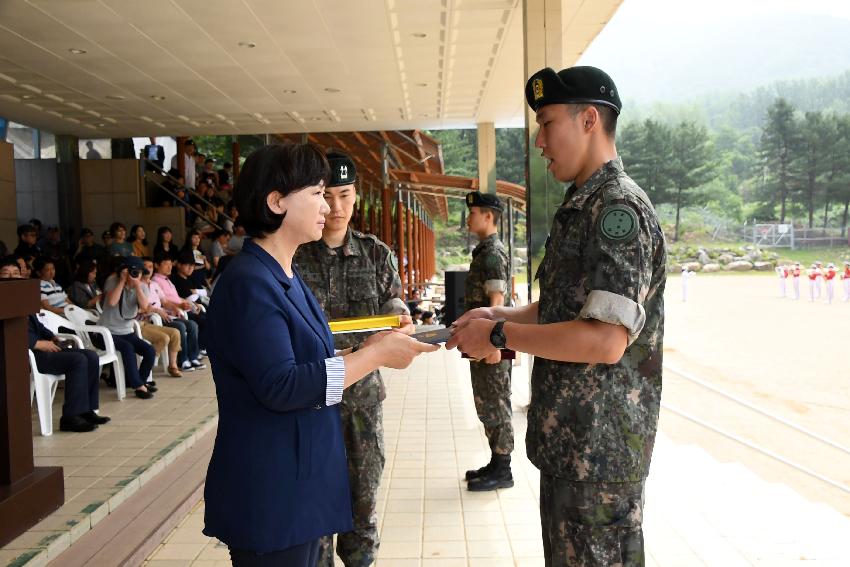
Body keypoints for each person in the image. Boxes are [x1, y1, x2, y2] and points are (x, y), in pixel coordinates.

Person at [447, 66, 666, 567]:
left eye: (547, 124)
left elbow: (605, 338)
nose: (539, 140)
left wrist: (500, 334)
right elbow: (561, 309)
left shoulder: (618, 210)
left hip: (600, 453)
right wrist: (494, 312)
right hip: (572, 447)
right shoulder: (582, 204)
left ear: (589, 119)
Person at [202, 143, 438, 567]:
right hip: (275, 493)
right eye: (315, 193)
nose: (327, 205)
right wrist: (375, 355)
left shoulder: (283, 275)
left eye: (333, 193)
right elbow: (282, 384)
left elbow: (315, 352)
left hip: (301, 486)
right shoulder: (250, 283)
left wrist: (369, 348)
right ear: (276, 202)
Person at [294, 150, 412, 567]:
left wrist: (399, 321)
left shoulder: (376, 255)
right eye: (328, 195)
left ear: (357, 197)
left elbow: (394, 313)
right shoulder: (293, 254)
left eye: (345, 195)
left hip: (361, 400)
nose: (337, 208)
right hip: (309, 401)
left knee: (362, 501)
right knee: (313, 508)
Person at [458, 190, 515, 492]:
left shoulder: (493, 253)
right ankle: (496, 460)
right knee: (486, 400)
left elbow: (497, 299)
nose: (469, 218)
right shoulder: (484, 250)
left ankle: (503, 469)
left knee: (495, 400)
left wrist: (495, 343)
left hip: (492, 340)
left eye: (473, 212)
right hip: (484, 339)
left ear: (488, 216)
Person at [98, 256, 157, 399]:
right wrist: (123, 280)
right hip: (106, 332)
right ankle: (138, 386)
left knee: (149, 350)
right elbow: (112, 302)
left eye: (139, 272)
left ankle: (139, 382)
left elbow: (144, 306)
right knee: (127, 348)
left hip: (126, 331)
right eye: (133, 271)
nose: (136, 274)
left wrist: (136, 285)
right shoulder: (113, 281)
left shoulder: (142, 286)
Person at [153, 254, 205, 372]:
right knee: (182, 326)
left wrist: (191, 304)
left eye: (171, 264)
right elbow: (164, 302)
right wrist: (178, 306)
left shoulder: (167, 280)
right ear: (157, 265)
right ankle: (183, 360)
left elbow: (177, 297)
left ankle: (193, 356)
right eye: (166, 264)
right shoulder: (156, 281)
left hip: (178, 312)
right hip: (166, 315)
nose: (169, 267)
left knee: (193, 325)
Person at [138, 258, 183, 377]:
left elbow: (165, 301)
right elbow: (142, 308)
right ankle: (147, 368)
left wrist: (174, 308)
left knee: (175, 332)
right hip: (142, 321)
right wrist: (156, 310)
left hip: (153, 319)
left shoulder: (154, 284)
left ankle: (172, 366)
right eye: (145, 266)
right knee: (165, 337)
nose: (148, 269)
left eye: (151, 267)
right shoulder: (136, 285)